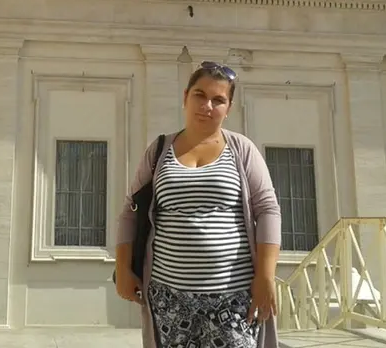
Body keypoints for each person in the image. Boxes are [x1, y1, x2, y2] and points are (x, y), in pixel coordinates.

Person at [116, 62, 281, 348]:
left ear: (228, 108)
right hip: (169, 298)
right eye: (199, 95)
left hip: (233, 298)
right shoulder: (159, 151)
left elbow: (268, 210)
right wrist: (122, 269)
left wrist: (266, 275)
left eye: (218, 100)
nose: (207, 106)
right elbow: (130, 212)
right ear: (185, 97)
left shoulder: (241, 149)